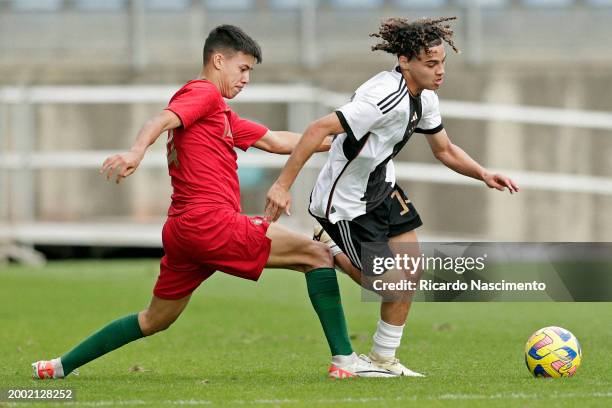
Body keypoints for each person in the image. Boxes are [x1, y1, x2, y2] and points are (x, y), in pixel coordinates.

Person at [31, 25, 396, 381]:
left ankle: (58, 366)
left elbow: (278, 141)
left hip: (183, 230)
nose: (246, 79)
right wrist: (136, 151)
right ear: (218, 60)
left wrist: (347, 137)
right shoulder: (202, 93)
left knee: (154, 319)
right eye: (243, 68)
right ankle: (346, 360)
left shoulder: (219, 114)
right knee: (316, 255)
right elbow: (161, 118)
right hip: (210, 223)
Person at [265, 17, 520, 377]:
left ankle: (383, 359)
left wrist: (483, 173)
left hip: (382, 186)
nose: (440, 70)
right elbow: (317, 129)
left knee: (411, 273)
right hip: (347, 203)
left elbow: (444, 150)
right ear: (404, 60)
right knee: (394, 285)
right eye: (431, 63)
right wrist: (281, 185)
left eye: (443, 61)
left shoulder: (425, 97)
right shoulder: (382, 97)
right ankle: (331, 248)